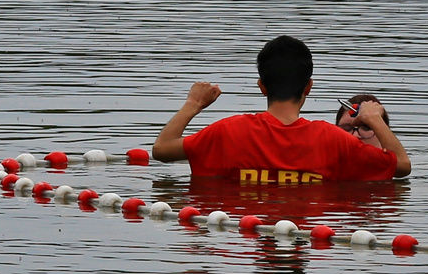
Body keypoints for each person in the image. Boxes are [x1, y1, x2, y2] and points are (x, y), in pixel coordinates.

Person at [153, 35, 411, 181]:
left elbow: (162, 150)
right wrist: (375, 119)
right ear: (308, 87)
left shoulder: (226, 131)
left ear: (262, 86)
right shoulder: (334, 141)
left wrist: (193, 104)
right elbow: (401, 167)